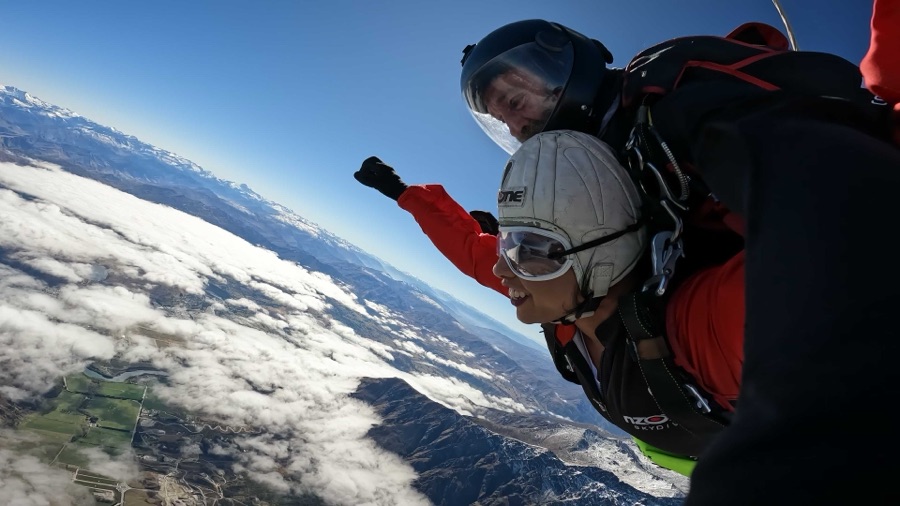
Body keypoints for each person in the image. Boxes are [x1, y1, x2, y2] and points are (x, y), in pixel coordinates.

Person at [492, 128, 744, 461]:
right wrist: (419, 197)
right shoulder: (556, 302)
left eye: (530, 250)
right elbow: (468, 248)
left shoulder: (702, 328)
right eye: (505, 243)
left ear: (601, 257)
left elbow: (802, 276)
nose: (500, 268)